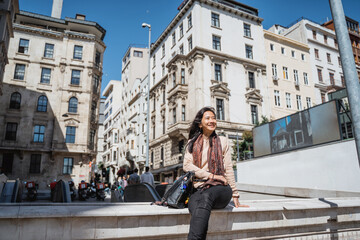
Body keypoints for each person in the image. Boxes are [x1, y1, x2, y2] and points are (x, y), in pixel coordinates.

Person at [183, 106, 248, 240]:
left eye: (214, 118)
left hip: (221, 189)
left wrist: (235, 194)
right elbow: (187, 166)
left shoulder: (223, 141)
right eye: (208, 118)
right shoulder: (192, 143)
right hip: (198, 188)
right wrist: (211, 176)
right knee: (198, 205)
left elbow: (228, 168)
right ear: (200, 124)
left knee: (206, 197)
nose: (212, 120)